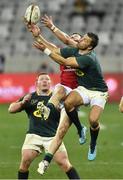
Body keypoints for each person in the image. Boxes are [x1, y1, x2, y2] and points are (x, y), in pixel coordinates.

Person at [32, 31, 108, 173]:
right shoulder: (75, 50)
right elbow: (59, 46)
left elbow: (64, 61)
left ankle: (92, 143)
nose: (81, 40)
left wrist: (45, 50)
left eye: (85, 40)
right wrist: (38, 35)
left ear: (90, 47)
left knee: (93, 121)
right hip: (83, 89)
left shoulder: (89, 58)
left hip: (98, 92)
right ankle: (78, 127)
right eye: (83, 37)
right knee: (68, 103)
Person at [25, 17, 87, 146]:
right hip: (64, 89)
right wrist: (38, 36)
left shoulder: (84, 55)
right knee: (59, 89)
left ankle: (80, 129)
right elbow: (50, 47)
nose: (73, 38)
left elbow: (64, 41)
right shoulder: (63, 53)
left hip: (78, 92)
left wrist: (52, 27)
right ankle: (47, 109)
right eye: (72, 37)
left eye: (76, 37)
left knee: (62, 130)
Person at [8, 73, 80, 179]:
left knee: (64, 163)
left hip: (53, 137)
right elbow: (11, 109)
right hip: (34, 135)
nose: (45, 81)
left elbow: (70, 112)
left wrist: (62, 110)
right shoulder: (30, 97)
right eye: (42, 79)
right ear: (36, 83)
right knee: (25, 162)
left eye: (47, 79)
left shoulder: (57, 98)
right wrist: (23, 103)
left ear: (51, 83)